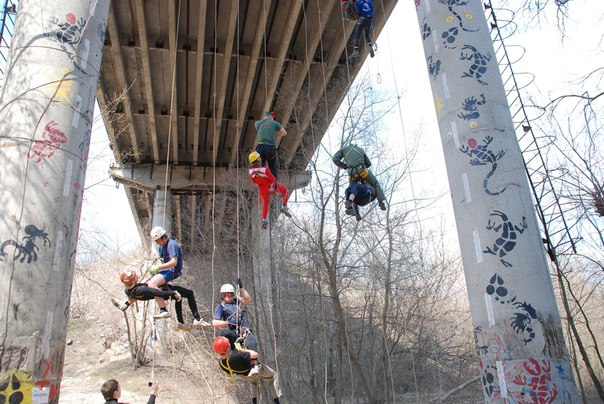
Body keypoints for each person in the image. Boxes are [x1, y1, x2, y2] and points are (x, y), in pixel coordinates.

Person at [112, 269, 210, 328]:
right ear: (132, 279)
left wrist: (127, 303)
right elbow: (157, 293)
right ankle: (197, 318)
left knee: (178, 299)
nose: (138, 276)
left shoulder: (129, 290)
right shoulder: (140, 290)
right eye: (135, 275)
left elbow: (133, 298)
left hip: (163, 290)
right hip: (165, 291)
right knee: (189, 293)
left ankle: (180, 322)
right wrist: (173, 293)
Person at [213, 336, 282, 404]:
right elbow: (255, 354)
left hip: (244, 375)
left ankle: (254, 401)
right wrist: (240, 349)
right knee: (273, 377)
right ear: (228, 348)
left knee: (254, 382)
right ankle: (277, 401)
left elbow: (232, 370)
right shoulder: (236, 355)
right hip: (255, 370)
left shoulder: (221, 363)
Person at [332, 144, 387, 210]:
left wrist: (344, 166)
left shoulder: (343, 149)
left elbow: (335, 159)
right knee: (376, 184)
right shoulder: (360, 149)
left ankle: (350, 207)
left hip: (352, 173)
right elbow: (368, 163)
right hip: (362, 171)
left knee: (352, 189)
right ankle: (381, 202)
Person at [211, 278, 259, 352]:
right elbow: (215, 323)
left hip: (244, 330)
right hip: (232, 331)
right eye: (227, 295)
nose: (229, 297)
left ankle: (254, 362)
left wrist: (241, 288)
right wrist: (229, 323)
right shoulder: (221, 307)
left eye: (231, 294)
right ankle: (230, 353)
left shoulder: (236, 301)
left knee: (252, 342)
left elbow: (247, 299)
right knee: (224, 333)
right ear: (223, 296)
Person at [248, 151, 291, 229]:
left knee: (266, 203)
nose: (260, 159)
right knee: (285, 191)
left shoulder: (251, 172)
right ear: (257, 160)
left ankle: (264, 220)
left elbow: (254, 181)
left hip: (262, 188)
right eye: (259, 158)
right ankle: (284, 206)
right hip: (271, 186)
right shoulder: (264, 169)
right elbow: (273, 178)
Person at [147, 226, 183, 317]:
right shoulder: (162, 247)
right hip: (167, 270)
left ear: (163, 237)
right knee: (147, 282)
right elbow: (162, 260)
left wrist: (158, 268)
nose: (156, 242)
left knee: (152, 284)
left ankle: (163, 309)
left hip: (173, 270)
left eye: (157, 240)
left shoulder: (172, 244)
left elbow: (174, 262)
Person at [254, 111, 287, 180]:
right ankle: (273, 183)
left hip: (260, 147)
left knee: (260, 164)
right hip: (270, 147)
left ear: (265, 117)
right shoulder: (274, 123)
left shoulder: (258, 123)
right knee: (272, 166)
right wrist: (276, 135)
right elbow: (284, 133)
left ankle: (261, 179)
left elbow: (260, 128)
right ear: (271, 118)